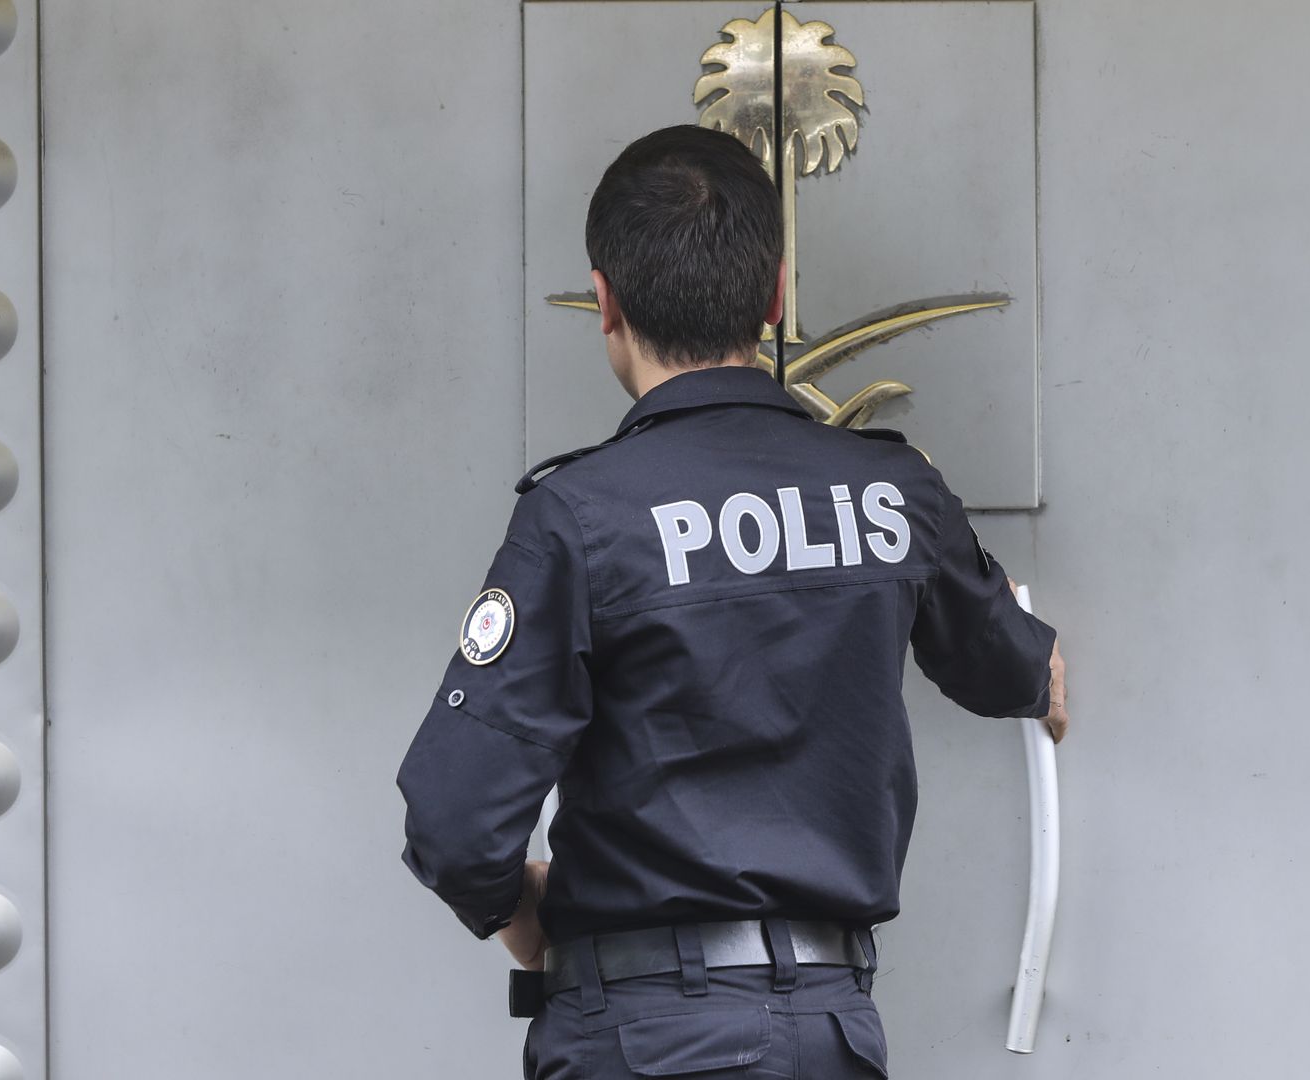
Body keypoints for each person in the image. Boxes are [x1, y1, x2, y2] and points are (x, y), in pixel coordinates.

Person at [395, 124, 1069, 1080]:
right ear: (776, 297)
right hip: (829, 1036)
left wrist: (527, 922)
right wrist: (1041, 670)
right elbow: (1008, 666)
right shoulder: (890, 492)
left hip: (637, 1038)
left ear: (605, 301)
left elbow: (455, 819)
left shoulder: (581, 517)